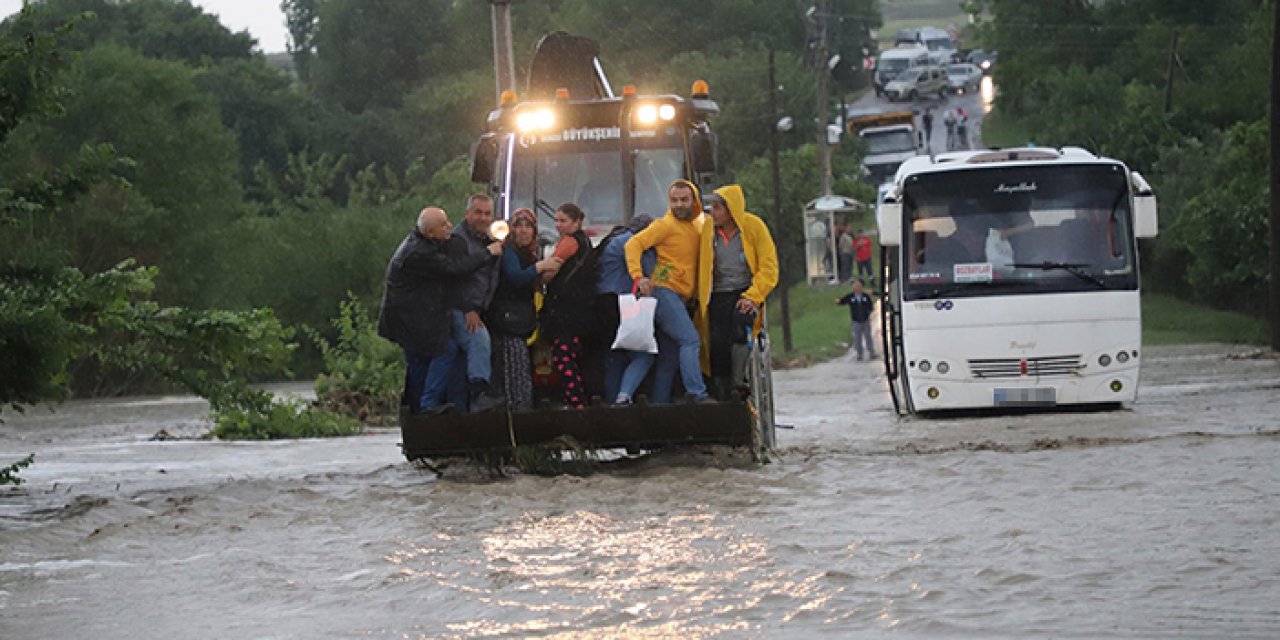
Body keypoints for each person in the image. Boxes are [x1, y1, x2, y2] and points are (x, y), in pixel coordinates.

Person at [377, 206, 500, 414]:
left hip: (410, 316)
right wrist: (488, 252)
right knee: (445, 350)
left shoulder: (423, 243)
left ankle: (422, 408)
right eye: (443, 225)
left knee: (420, 362)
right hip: (409, 318)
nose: (450, 227)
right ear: (429, 232)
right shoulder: (420, 252)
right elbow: (454, 269)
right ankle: (428, 405)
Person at [625, 179, 711, 403]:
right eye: (674, 200)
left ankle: (659, 406)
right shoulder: (664, 225)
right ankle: (697, 394)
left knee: (669, 357)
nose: (679, 204)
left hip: (680, 297)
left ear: (695, 201)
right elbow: (632, 245)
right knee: (690, 341)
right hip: (664, 292)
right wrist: (638, 276)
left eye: (684, 200)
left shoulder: (697, 227)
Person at [695, 184, 779, 400]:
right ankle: (719, 387)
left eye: (717, 208)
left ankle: (738, 381)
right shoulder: (707, 231)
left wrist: (752, 297)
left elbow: (769, 268)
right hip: (717, 294)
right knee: (716, 340)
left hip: (746, 291)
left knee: (740, 325)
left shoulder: (754, 227)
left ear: (730, 209)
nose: (712, 213)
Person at [487, 208, 562, 410]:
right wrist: (541, 267)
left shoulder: (530, 253)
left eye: (528, 226)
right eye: (518, 226)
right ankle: (517, 411)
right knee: (514, 369)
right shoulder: (509, 251)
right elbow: (516, 277)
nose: (523, 231)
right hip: (508, 321)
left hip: (522, 319)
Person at [595, 214, 664, 405]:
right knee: (645, 353)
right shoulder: (635, 243)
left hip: (603, 302)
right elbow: (653, 271)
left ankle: (611, 405)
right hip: (624, 303)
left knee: (614, 358)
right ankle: (624, 396)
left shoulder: (611, 241)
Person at [449, 194, 506, 413]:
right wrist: (469, 309)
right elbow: (455, 275)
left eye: (487, 213)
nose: (483, 218)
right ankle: (479, 396)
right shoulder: (457, 240)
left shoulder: (487, 239)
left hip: (481, 307)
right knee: (478, 340)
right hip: (461, 307)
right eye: (478, 212)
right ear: (467, 214)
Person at [540, 202, 597, 408]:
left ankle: (574, 402)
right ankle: (581, 399)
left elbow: (549, 273)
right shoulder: (586, 244)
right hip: (581, 310)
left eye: (563, 221)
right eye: (556, 220)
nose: (557, 225)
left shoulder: (568, 243)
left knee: (563, 358)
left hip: (565, 312)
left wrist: (537, 272)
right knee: (577, 357)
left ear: (577, 222)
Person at [835, 279, 877, 361]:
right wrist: (838, 301)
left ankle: (871, 353)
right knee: (857, 338)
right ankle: (859, 354)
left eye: (859, 286)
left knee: (868, 337)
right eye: (856, 287)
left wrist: (868, 312)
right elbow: (843, 300)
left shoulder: (865, 296)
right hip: (856, 321)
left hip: (865, 320)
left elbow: (871, 306)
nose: (858, 288)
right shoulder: (851, 296)